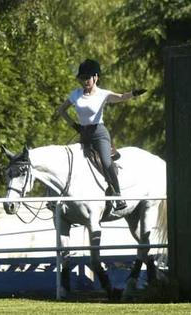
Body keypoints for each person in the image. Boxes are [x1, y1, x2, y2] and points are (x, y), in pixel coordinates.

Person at [57, 59, 146, 212]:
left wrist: (133, 93)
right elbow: (61, 110)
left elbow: (121, 97)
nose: (85, 81)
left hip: (99, 134)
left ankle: (118, 196)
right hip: (84, 133)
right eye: (82, 78)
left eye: (88, 77)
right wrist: (74, 125)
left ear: (96, 77)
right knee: (71, 161)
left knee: (105, 162)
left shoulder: (103, 94)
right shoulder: (76, 94)